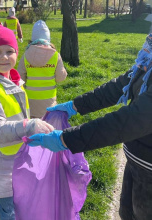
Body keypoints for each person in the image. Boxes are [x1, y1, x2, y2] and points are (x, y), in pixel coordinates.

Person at [28, 34, 152, 220]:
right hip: (137, 160)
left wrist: (66, 139)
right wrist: (76, 105)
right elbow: (123, 84)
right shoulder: (148, 56)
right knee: (127, 213)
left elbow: (129, 121)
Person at [0, 24, 54, 220]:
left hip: (14, 152)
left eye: (10, 51)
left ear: (18, 53)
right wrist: (28, 126)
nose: (4, 57)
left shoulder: (13, 80)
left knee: (11, 201)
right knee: (11, 206)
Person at [17, 20, 67, 118]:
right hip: (49, 102)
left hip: (30, 101)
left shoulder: (26, 55)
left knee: (32, 127)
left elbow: (19, 78)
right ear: (48, 38)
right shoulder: (55, 55)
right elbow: (60, 78)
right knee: (47, 126)